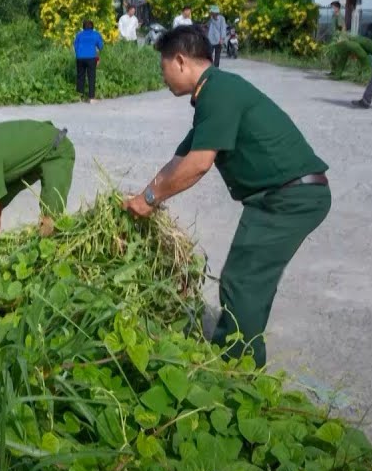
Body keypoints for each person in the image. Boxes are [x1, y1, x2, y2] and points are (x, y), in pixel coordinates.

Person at [123, 25, 331, 369]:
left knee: (242, 280)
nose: (163, 78)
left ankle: (232, 370)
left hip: (289, 197)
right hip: (281, 196)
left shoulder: (217, 92)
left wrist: (149, 199)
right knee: (251, 279)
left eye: (163, 69)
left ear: (180, 61)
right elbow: (180, 160)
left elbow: (199, 164)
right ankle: (243, 356)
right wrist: (143, 196)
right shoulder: (215, 93)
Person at [72, 20, 104, 104]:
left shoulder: (79, 34)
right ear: (92, 27)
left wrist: (79, 53)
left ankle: (79, 96)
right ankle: (91, 98)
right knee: (91, 76)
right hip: (91, 57)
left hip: (80, 57)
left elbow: (75, 45)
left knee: (80, 76)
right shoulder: (95, 34)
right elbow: (100, 46)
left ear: (83, 27)